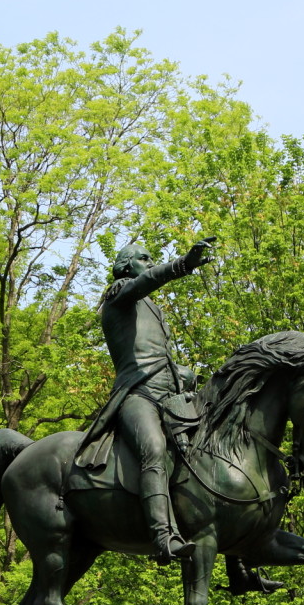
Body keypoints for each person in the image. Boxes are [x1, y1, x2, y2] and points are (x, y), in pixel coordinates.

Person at [78, 239, 213, 563]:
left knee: (217, 449)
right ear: (126, 266)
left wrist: (185, 375)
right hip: (138, 395)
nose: (150, 263)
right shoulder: (120, 293)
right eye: (144, 258)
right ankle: (163, 538)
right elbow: (148, 280)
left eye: (152, 259)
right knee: (153, 448)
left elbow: (159, 358)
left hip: (169, 397)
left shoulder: (152, 308)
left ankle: (239, 554)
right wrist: (183, 264)